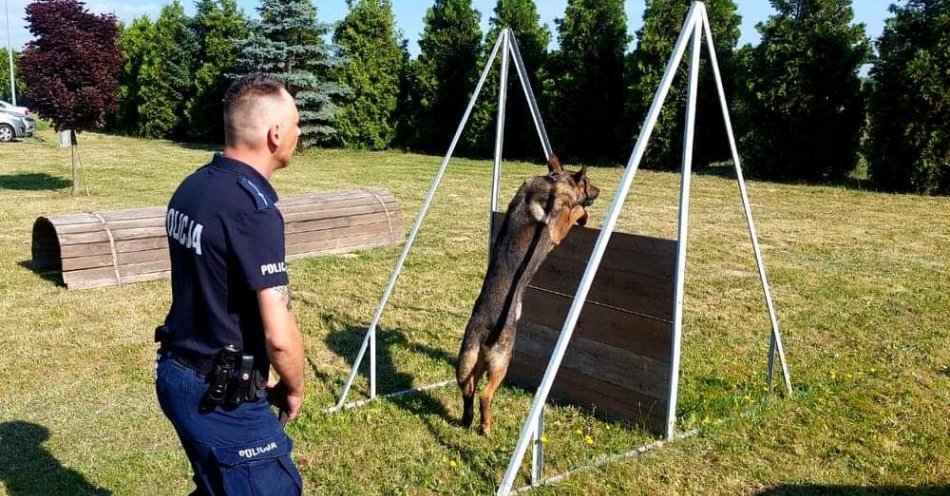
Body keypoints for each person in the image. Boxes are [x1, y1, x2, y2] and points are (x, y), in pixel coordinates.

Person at [154, 73, 305, 495]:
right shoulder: (253, 209)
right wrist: (294, 386)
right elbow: (278, 335)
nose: (299, 132)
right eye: (295, 124)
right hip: (219, 397)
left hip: (177, 374)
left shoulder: (194, 186)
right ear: (275, 134)